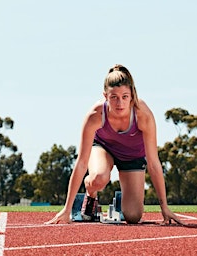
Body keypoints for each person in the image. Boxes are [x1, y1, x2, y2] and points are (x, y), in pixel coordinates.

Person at [45, 64, 183, 225]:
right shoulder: (95, 115)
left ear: (132, 96)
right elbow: (82, 162)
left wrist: (164, 207)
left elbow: (153, 163)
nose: (120, 103)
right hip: (104, 149)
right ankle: (91, 195)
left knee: (133, 216)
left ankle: (122, 201)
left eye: (125, 97)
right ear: (105, 96)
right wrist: (67, 210)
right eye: (114, 97)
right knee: (98, 177)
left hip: (132, 156)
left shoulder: (143, 115)